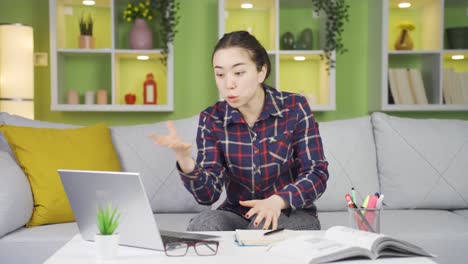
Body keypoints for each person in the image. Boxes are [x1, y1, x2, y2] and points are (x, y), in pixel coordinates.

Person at [150, 30, 328, 231]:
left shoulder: (295, 107)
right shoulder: (212, 118)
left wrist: (278, 201)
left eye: (238, 73)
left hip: (289, 212)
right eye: (220, 74)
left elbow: (316, 173)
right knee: (205, 223)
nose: (228, 84)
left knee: (262, 225)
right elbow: (208, 195)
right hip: (238, 213)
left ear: (261, 71)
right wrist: (186, 162)